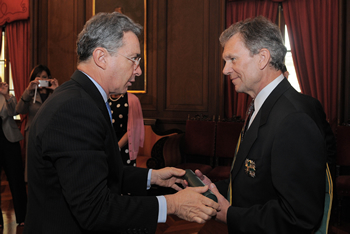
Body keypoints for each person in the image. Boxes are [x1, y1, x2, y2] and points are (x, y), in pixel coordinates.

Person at [24, 12, 219, 234]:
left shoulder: (82, 98)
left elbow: (101, 172)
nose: (139, 70)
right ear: (101, 57)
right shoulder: (74, 108)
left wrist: (153, 177)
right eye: (134, 59)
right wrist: (172, 205)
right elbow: (94, 209)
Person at [195, 16, 333, 233]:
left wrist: (230, 215)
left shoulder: (293, 119)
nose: (225, 70)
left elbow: (298, 216)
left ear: (262, 58)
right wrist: (213, 188)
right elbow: (257, 181)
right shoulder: (263, 105)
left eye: (232, 59)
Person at [16, 64, 59, 181]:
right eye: (38, 77)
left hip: (51, 134)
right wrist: (28, 90)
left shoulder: (53, 93)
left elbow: (61, 112)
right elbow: (19, 110)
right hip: (33, 134)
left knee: (50, 167)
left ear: (49, 78)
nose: (42, 80)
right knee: (33, 167)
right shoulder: (30, 94)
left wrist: (57, 91)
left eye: (44, 77)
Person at [0, 77, 27, 228]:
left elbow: (14, 111)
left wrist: (6, 95)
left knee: (16, 180)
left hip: (9, 140)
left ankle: (23, 216)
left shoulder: (6, 94)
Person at [109, 92, 144, 167]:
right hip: (107, 144)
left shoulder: (132, 99)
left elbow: (133, 128)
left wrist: (116, 147)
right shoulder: (104, 98)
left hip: (124, 146)